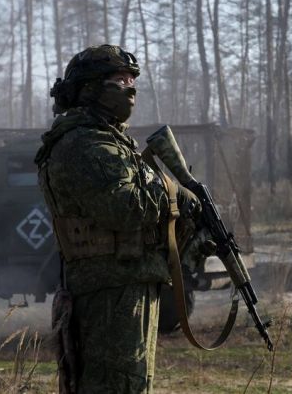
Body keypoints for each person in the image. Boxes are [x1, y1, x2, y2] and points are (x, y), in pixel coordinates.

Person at [35, 45, 197, 394]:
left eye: (132, 80)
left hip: (127, 284)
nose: (130, 89)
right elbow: (125, 208)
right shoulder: (84, 144)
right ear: (91, 89)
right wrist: (170, 189)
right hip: (110, 293)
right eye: (119, 81)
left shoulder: (110, 141)